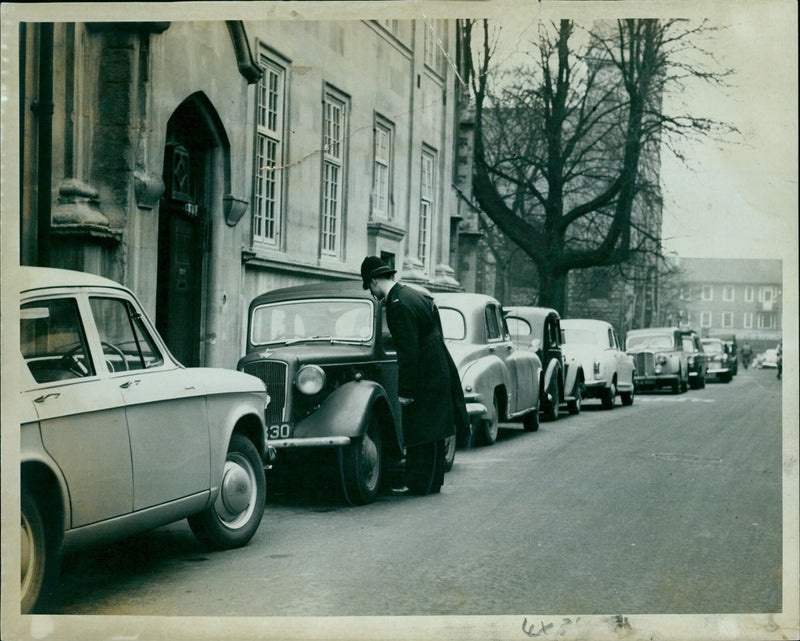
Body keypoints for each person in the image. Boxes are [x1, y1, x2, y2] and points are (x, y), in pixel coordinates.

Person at [360, 256, 468, 495]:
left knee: (419, 429)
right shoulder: (413, 294)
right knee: (433, 430)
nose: (372, 292)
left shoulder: (397, 304)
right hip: (436, 365)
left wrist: (405, 391)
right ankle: (432, 483)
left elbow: (407, 351)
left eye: (370, 286)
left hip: (424, 370)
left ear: (375, 281)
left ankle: (419, 484)